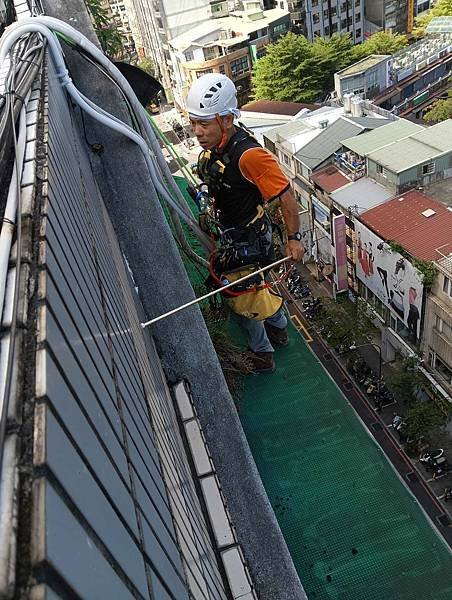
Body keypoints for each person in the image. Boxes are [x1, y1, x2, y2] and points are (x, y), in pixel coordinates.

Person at [186, 74, 304, 373]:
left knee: (244, 297)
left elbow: (286, 198)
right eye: (194, 123)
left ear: (226, 120)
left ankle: (263, 355)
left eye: (204, 124)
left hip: (248, 237)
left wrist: (294, 238)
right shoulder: (219, 148)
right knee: (259, 288)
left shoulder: (250, 156)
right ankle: (279, 331)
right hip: (234, 230)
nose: (197, 132)